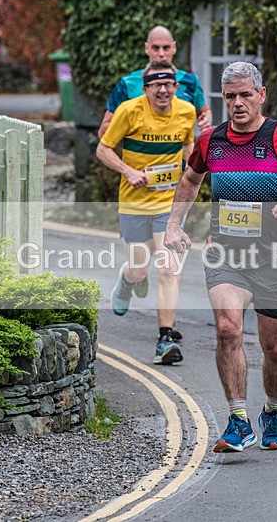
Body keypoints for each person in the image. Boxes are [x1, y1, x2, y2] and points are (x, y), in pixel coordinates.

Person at [164, 62, 277, 452]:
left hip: (271, 258)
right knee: (227, 329)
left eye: (245, 95)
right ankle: (238, 419)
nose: (237, 104)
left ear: (261, 95)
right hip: (225, 254)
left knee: (275, 347)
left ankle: (272, 410)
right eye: (229, 97)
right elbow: (189, 181)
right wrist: (174, 225)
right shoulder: (211, 141)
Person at [96, 60, 197, 365]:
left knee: (168, 269)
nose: (163, 90)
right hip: (134, 204)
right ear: (147, 88)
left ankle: (164, 340)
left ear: (176, 87)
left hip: (168, 204)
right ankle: (127, 281)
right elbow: (103, 149)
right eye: (157, 85)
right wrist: (127, 170)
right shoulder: (129, 111)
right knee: (140, 269)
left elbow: (188, 150)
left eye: (169, 84)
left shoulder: (186, 112)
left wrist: (192, 176)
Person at [97, 26, 212, 139]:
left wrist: (206, 121)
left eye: (166, 48)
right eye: (155, 48)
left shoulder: (190, 81)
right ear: (147, 48)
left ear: (174, 48)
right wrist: (130, 126)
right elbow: (103, 132)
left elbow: (205, 112)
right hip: (142, 153)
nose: (161, 54)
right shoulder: (128, 83)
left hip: (179, 155)